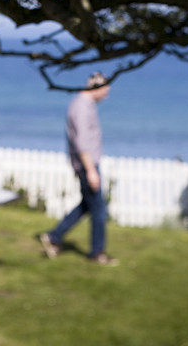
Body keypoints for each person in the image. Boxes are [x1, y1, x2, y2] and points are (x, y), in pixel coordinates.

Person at [40, 71, 117, 265]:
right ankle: (97, 253)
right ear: (97, 88)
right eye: (106, 90)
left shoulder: (85, 105)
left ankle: (54, 237)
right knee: (98, 208)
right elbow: (82, 142)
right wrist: (90, 170)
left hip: (86, 163)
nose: (107, 95)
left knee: (86, 205)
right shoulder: (82, 107)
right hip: (87, 164)